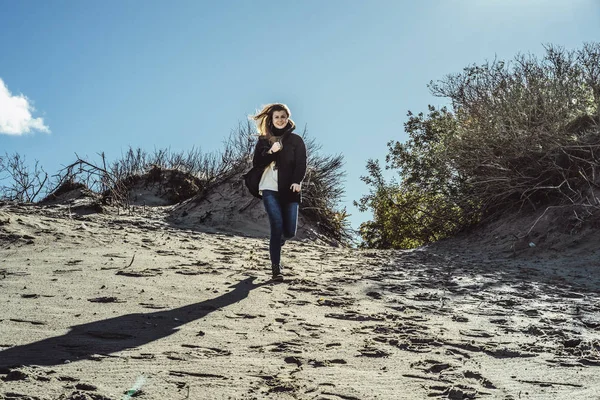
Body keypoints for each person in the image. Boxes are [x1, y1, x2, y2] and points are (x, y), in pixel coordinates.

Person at [251, 103, 307, 281]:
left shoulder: (296, 140)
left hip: (289, 189)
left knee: (289, 231)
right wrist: (271, 152)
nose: (280, 120)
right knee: (276, 225)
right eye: (277, 117)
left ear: (288, 118)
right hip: (268, 187)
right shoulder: (263, 140)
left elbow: (301, 163)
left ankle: (279, 240)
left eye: (283, 116)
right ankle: (276, 270)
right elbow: (257, 163)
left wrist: (297, 181)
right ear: (271, 119)